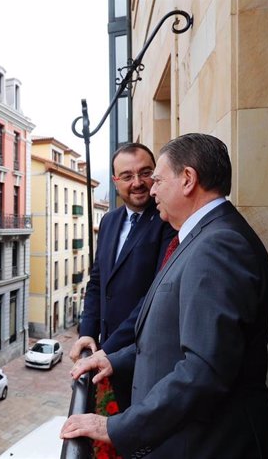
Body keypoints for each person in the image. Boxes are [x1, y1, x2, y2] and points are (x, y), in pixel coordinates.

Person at [61, 133, 268, 458]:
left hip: (208, 445)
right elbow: (170, 335)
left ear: (188, 179)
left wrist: (113, 427)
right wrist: (113, 358)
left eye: (157, 178)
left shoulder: (218, 246)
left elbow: (203, 371)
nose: (152, 189)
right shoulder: (200, 236)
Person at [70, 142, 176, 409]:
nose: (138, 182)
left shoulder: (168, 221)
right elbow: (97, 282)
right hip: (111, 356)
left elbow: (155, 296)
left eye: (145, 172)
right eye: (127, 176)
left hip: (144, 356)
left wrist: (109, 349)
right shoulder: (108, 221)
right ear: (116, 182)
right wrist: (87, 332)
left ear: (156, 174)